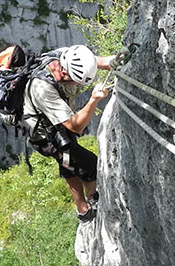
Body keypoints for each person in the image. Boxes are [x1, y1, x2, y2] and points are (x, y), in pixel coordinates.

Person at [22, 45, 117, 223]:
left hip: (59, 125)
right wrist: (94, 99)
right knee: (89, 165)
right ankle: (92, 201)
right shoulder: (42, 88)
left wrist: (119, 60)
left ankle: (82, 210)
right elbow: (76, 126)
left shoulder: (69, 57)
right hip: (46, 136)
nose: (78, 86)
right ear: (65, 75)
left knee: (68, 163)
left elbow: (98, 62)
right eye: (76, 82)